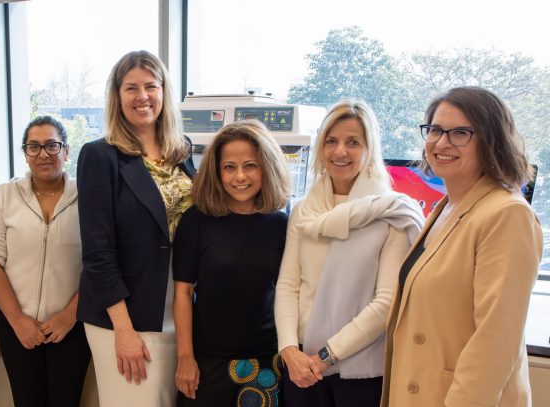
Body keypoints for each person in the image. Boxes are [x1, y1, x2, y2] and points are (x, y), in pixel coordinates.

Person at [382, 87, 542, 406]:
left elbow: (495, 342)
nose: (442, 143)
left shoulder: (507, 214)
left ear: (491, 140)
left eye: (460, 133)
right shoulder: (446, 207)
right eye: (436, 130)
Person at [274, 99, 424, 406]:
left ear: (370, 150)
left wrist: (326, 357)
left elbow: (385, 303)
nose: (340, 151)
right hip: (300, 365)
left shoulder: (390, 212)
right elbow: (288, 286)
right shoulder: (305, 210)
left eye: (353, 142)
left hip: (359, 371)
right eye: (331, 141)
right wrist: (289, 349)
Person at [76, 50, 195, 407]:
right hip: (126, 313)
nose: (142, 96)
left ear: (164, 92)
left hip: (180, 309)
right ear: (117, 96)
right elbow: (97, 251)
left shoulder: (182, 152)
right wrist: (123, 330)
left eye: (150, 86)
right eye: (131, 88)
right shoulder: (100, 156)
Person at [173, 120, 291, 406]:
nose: (240, 176)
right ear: (216, 171)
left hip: (265, 359)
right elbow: (183, 294)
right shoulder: (196, 221)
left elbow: (290, 292)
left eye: (250, 165)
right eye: (229, 167)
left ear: (266, 167)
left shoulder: (281, 224)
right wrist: (185, 357)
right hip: (207, 360)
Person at [0, 116, 91, 407]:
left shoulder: (88, 198)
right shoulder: (4, 195)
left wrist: (70, 315)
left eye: (52, 145)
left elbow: (99, 263)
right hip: (19, 326)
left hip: (71, 327)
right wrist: (17, 319)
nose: (43, 154)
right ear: (25, 153)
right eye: (34, 147)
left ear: (66, 151)